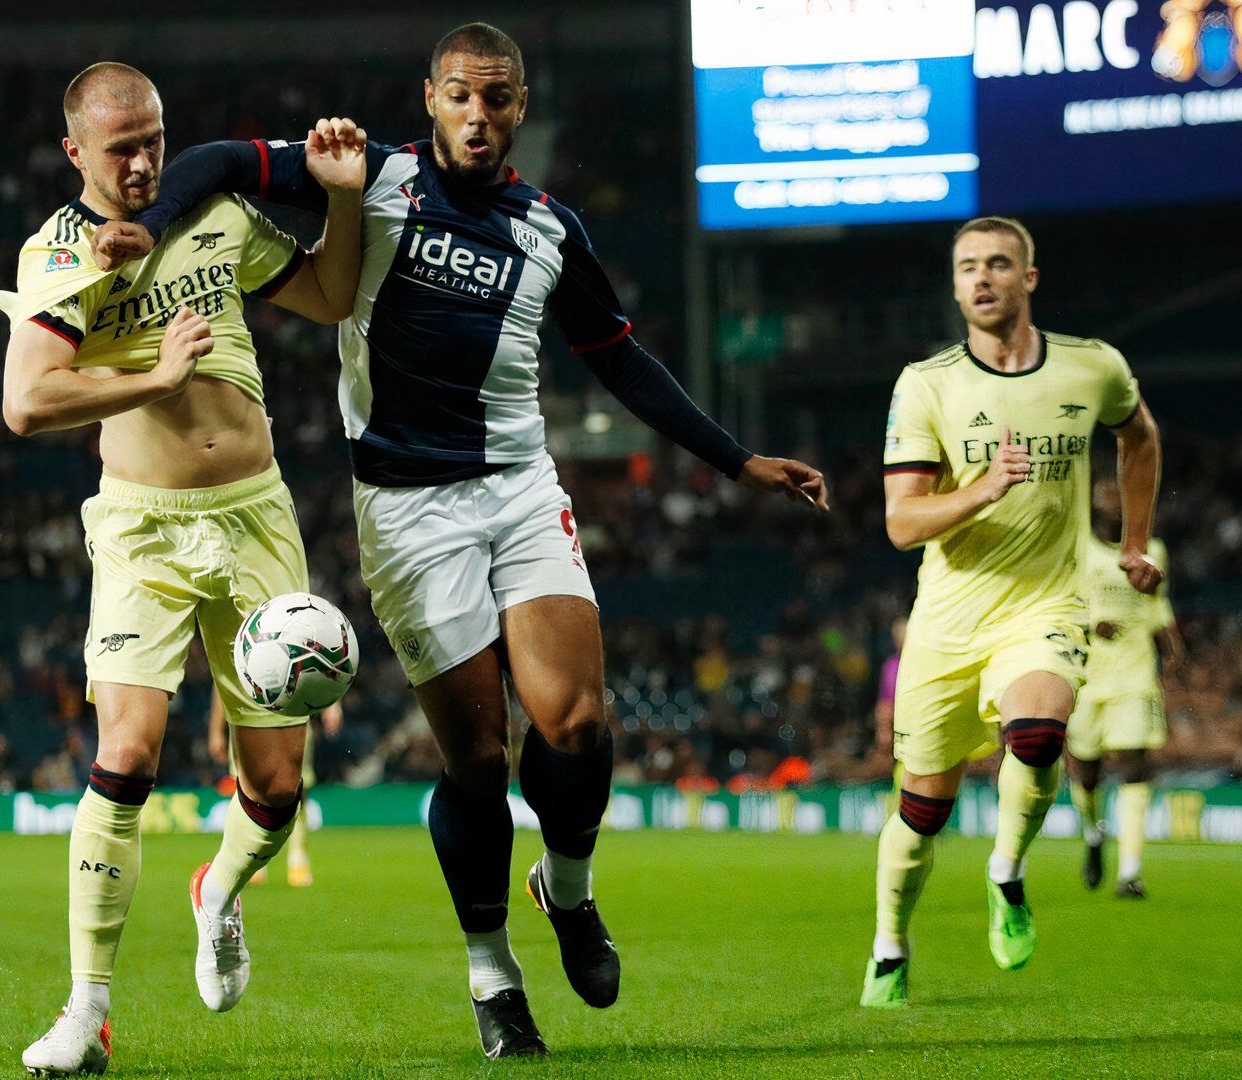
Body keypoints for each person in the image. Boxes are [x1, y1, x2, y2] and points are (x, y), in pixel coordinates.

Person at [92, 22, 827, 1058]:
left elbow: (619, 359)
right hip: (407, 506)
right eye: (459, 97)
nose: (478, 116)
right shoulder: (371, 175)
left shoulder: (552, 231)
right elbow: (215, 161)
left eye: (498, 99)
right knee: (478, 759)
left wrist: (734, 458)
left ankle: (567, 888)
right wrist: (152, 220)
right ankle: (493, 975)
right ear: (429, 99)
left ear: (520, 108)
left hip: (520, 485)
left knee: (574, 721)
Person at [2, 63, 363, 1077]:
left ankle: (219, 893)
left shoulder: (213, 217)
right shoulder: (62, 254)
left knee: (277, 783)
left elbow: (334, 295)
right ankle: (86, 1010)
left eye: (154, 137)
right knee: (129, 752)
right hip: (143, 531)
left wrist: (339, 198)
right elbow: (25, 402)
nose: (143, 159)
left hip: (254, 516)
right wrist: (153, 377)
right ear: (75, 152)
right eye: (120, 147)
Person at [866, 216, 1164, 1008]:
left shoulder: (1091, 367)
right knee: (923, 811)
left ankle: (1007, 870)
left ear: (1030, 278)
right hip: (949, 622)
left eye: (1000, 263)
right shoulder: (926, 383)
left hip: (1046, 606)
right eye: (968, 267)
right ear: (956, 284)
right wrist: (983, 490)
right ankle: (890, 942)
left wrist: (1133, 540)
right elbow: (901, 524)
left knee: (1037, 735)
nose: (983, 278)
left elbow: (1140, 438)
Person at [1067, 477, 1182, 898]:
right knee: (1086, 772)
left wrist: (1171, 641)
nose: (1115, 500)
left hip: (1134, 673)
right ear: (1093, 501)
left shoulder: (1154, 550)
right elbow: (1059, 602)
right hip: (1087, 674)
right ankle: (1094, 834)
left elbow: (1158, 604)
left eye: (1121, 493)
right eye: (1106, 494)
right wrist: (1089, 625)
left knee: (1134, 765)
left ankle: (1130, 872)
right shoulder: (1079, 549)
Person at [207, 689, 343, 886]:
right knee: (246, 789)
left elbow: (318, 662)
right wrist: (215, 731)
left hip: (292, 714)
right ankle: (251, 857)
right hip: (245, 717)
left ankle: (298, 857)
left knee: (299, 788)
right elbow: (220, 684)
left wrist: (332, 703)